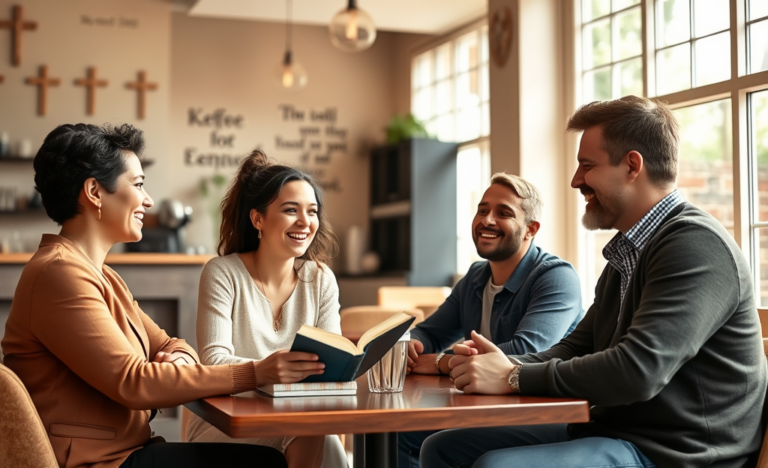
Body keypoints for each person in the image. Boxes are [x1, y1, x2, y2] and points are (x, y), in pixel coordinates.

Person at [421, 96, 767, 468]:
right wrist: (496, 366)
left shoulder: (695, 244)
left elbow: (637, 371)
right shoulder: (627, 252)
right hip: (614, 431)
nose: (575, 181)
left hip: (676, 453)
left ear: (632, 165)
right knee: (442, 448)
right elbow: (575, 347)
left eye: (587, 166)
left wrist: (515, 377)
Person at [1, 124, 292, 468]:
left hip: (123, 453)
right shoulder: (59, 274)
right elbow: (134, 381)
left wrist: (180, 361)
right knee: (267, 462)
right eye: (138, 185)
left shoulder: (102, 275)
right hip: (96, 463)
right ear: (94, 191)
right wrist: (256, 372)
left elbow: (171, 344)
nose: (148, 200)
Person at [399, 172, 584, 467]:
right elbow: (430, 332)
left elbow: (525, 354)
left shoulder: (556, 277)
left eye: (503, 213)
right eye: (482, 210)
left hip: (547, 415)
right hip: (487, 407)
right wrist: (413, 345)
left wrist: (439, 362)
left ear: (530, 229)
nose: (487, 220)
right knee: (398, 432)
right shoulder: (475, 275)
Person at [185, 150, 347, 468]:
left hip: (299, 419)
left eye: (312, 212)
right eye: (291, 210)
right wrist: (267, 370)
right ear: (258, 218)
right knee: (317, 434)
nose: (305, 222)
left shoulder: (321, 279)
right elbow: (214, 362)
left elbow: (333, 365)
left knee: (316, 430)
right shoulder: (222, 273)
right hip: (227, 422)